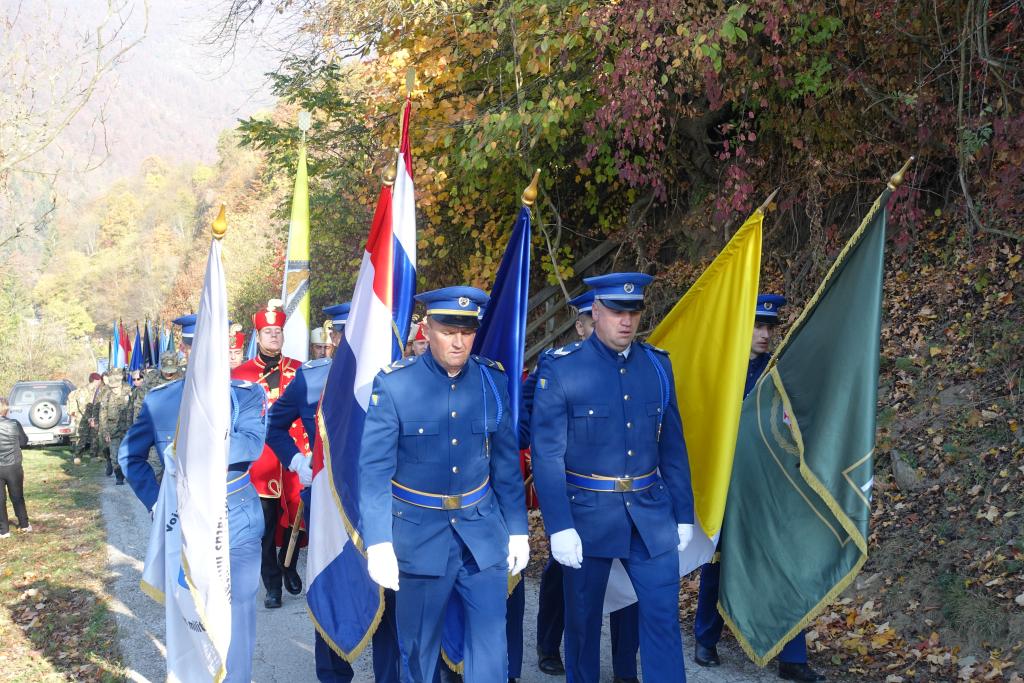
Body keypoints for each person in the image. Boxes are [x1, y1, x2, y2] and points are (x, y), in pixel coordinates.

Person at [359, 286, 529, 683]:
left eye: (467, 331)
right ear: (426, 329)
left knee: (491, 649)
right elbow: (374, 472)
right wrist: (380, 542)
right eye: (448, 330)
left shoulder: (491, 382)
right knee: (417, 652)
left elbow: (505, 466)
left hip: (482, 534)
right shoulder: (395, 385)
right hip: (419, 536)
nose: (458, 341)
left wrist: (518, 531)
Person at [531, 272, 694, 683]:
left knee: (661, 619)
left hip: (650, 513)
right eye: (617, 311)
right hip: (587, 515)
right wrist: (560, 526)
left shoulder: (657, 366)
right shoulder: (562, 368)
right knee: (583, 626)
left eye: (634, 311)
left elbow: (672, 445)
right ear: (596, 312)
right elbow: (548, 455)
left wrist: (685, 513)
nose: (626, 320)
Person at [118, 323, 268, 683]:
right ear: (186, 350)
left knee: (237, 615)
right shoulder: (160, 400)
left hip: (237, 519)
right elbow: (130, 456)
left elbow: (250, 445)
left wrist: (195, 447)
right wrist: (157, 503)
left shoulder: (246, 395)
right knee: (192, 614)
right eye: (198, 346)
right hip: (184, 521)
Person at [693, 294, 825, 682]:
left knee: (784, 564)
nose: (765, 335)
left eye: (769, 327)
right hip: (729, 485)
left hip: (770, 487)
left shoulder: (779, 376)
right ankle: (706, 638)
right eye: (758, 326)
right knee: (718, 562)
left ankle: (792, 655)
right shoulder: (722, 374)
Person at [524, 290, 641, 682]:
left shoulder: (634, 366)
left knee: (627, 589)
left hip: (619, 500)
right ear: (582, 323)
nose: (615, 327)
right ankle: (547, 645)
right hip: (574, 495)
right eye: (600, 319)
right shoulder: (558, 368)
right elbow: (533, 422)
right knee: (566, 582)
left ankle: (625, 667)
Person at [231, 299, 308, 608]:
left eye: (278, 331)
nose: (274, 336)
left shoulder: (299, 370)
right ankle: (272, 583)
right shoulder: (242, 375)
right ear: (259, 337)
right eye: (269, 332)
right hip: (261, 462)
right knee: (263, 528)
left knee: (295, 522)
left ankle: (287, 563)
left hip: (294, 457)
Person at [0, 397, 30, 538]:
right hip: (13, 467)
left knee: (0, 499)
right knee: (17, 497)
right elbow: (23, 442)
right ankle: (24, 524)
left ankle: (4, 530)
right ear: (6, 409)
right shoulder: (14, 423)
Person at [96, 369, 131, 485]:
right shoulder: (106, 394)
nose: (115, 389)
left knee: (128, 454)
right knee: (115, 455)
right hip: (113, 430)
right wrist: (105, 432)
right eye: (113, 387)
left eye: (116, 387)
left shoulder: (129, 391)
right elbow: (103, 414)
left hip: (127, 429)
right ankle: (119, 476)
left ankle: (129, 474)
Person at [67, 373, 102, 464]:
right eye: (99, 381)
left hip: (93, 417)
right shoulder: (83, 391)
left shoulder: (96, 391)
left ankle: (93, 456)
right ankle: (77, 456)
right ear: (95, 381)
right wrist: (89, 418)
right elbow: (82, 407)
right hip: (83, 419)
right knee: (82, 437)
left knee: (94, 436)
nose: (100, 382)